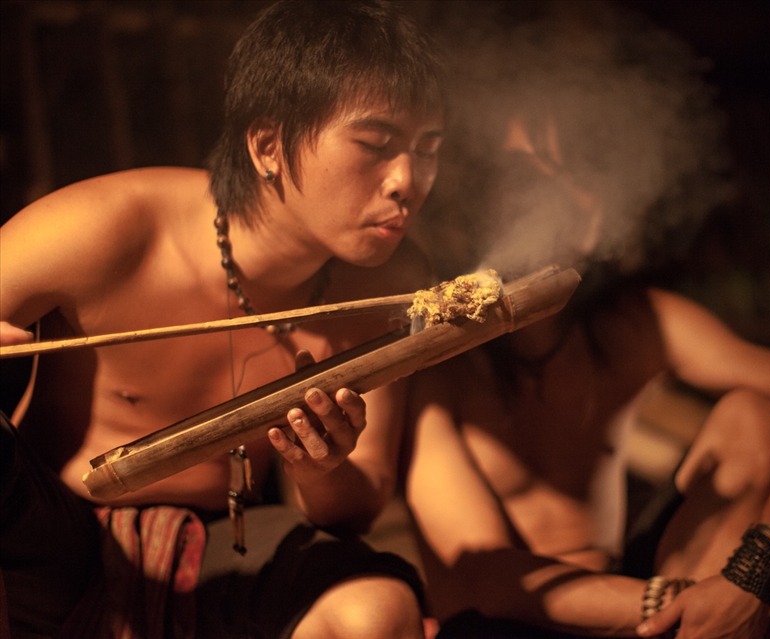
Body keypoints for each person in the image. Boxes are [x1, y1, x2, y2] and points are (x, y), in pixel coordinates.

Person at [401, 3, 770, 637]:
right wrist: (679, 599)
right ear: (483, 199)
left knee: (754, 418)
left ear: (599, 221)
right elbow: (487, 579)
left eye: (572, 178)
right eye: (520, 176)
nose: (549, 196)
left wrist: (759, 576)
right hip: (503, 623)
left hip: (636, 601)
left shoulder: (633, 324)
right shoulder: (440, 357)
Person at [0, 1, 444, 637]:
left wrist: (321, 469)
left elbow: (358, 504)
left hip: (223, 542)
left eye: (428, 149)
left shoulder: (392, 285)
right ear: (268, 145)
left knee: (375, 608)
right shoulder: (105, 229)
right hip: (53, 538)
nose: (407, 180)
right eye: (375, 145)